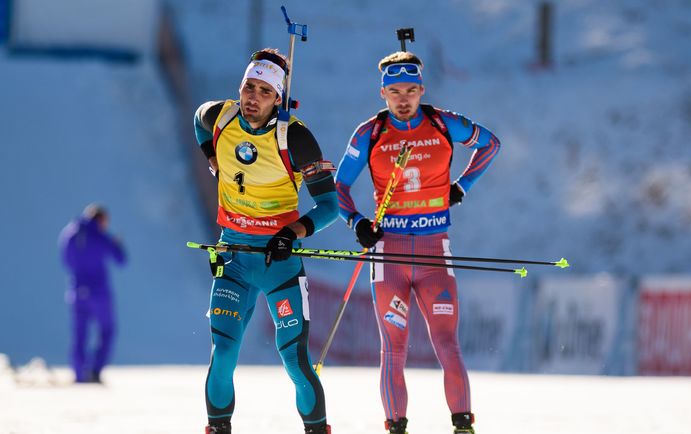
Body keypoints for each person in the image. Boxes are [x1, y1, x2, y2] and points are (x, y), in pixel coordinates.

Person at [335, 51, 501, 434]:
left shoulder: (443, 123)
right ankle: (396, 427)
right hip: (387, 253)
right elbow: (338, 185)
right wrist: (356, 221)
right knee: (393, 349)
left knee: (447, 344)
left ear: (422, 89)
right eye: (395, 91)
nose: (404, 99)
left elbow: (490, 144)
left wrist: (462, 186)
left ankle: (462, 425)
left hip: (433, 254)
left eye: (411, 90)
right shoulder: (370, 132)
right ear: (383, 93)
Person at [193, 48, 338, 434]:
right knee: (223, 354)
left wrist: (292, 233)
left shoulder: (296, 138)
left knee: (294, 360)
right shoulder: (220, 116)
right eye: (248, 87)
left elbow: (329, 206)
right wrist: (211, 155)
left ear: (278, 98)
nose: (252, 98)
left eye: (263, 91)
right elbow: (198, 121)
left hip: (279, 264)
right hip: (234, 257)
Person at [59, 203, 126, 384]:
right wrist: (117, 244)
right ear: (101, 219)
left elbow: (65, 259)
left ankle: (79, 375)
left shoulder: (70, 233)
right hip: (99, 293)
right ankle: (95, 371)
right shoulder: (100, 236)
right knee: (107, 330)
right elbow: (121, 260)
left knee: (79, 335)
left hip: (77, 291)